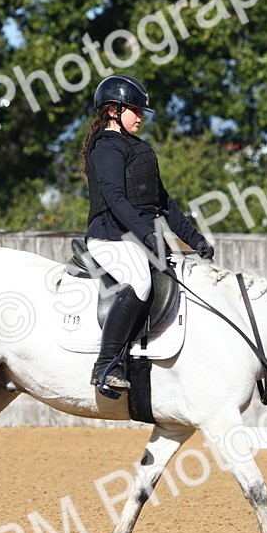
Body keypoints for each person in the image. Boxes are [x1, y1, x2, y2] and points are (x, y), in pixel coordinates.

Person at [80, 74, 214, 397]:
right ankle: (106, 365)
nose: (140, 117)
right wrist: (146, 235)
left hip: (139, 238)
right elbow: (115, 199)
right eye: (135, 110)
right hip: (110, 237)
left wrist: (195, 239)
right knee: (139, 281)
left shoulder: (138, 148)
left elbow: (164, 203)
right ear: (113, 110)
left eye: (142, 112)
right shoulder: (106, 147)